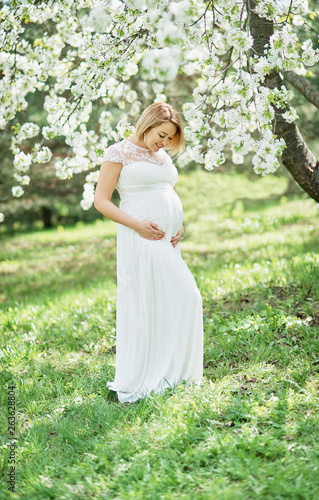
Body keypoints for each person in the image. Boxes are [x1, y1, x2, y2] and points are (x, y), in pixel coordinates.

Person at [94, 102, 203, 403]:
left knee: (175, 300)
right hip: (140, 236)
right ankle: (147, 375)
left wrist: (178, 225)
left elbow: (165, 191)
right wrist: (138, 226)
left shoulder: (161, 154)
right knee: (158, 300)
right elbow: (102, 202)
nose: (165, 142)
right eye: (162, 134)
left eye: (170, 138)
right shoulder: (118, 153)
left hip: (166, 239)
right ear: (148, 124)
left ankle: (175, 373)